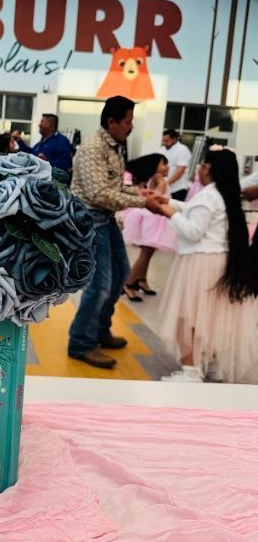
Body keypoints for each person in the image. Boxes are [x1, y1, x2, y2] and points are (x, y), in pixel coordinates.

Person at [67, 96, 163, 369]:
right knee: (99, 286)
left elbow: (115, 187)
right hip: (90, 221)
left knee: (120, 276)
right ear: (112, 122)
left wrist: (141, 193)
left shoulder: (115, 147)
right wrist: (144, 202)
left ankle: (98, 331)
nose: (131, 127)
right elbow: (99, 193)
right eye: (128, 121)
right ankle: (80, 343)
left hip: (106, 220)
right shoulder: (93, 149)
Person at [159, 148, 258, 383]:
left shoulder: (208, 196)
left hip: (200, 263)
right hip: (219, 261)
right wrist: (170, 202)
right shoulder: (225, 194)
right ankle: (211, 364)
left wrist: (166, 212)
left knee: (189, 317)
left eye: (203, 165)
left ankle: (191, 370)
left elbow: (193, 231)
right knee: (211, 317)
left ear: (211, 170)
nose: (200, 169)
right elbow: (198, 213)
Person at [122, 153, 176, 301]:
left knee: (149, 252)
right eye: (164, 164)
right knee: (146, 253)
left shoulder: (154, 178)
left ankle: (142, 280)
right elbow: (158, 196)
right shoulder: (159, 179)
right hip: (155, 220)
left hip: (155, 219)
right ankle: (129, 282)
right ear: (156, 166)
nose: (167, 167)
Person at [159, 129, 192, 201]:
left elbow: (180, 171)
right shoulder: (161, 150)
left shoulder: (183, 150)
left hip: (178, 189)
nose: (164, 143)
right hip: (164, 187)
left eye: (167, 141)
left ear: (174, 139)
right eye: (163, 140)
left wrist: (166, 183)